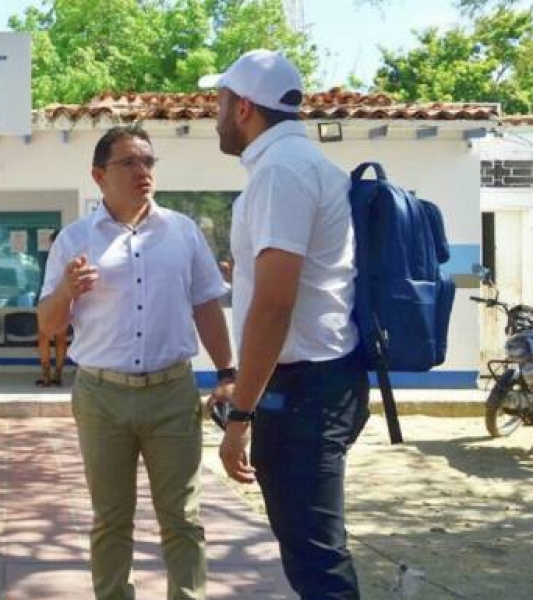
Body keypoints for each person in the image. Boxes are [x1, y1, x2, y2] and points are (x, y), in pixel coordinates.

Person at [39, 124, 236, 600]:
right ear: (99, 174)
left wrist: (228, 373)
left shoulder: (182, 232)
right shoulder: (75, 239)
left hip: (172, 393)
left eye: (148, 162)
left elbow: (207, 305)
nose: (142, 171)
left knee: (182, 517)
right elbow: (48, 324)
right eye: (129, 162)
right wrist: (67, 289)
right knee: (110, 520)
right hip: (101, 397)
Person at [202, 49, 370, 600]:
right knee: (309, 549)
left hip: (303, 393)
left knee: (317, 560)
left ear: (245, 107)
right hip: (319, 384)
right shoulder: (303, 164)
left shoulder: (279, 172)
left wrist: (240, 415)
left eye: (220, 101)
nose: (216, 112)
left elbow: (274, 305)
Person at [36, 230, 68, 387]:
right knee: (59, 338)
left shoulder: (50, 257)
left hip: (51, 297)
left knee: (44, 337)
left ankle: (47, 374)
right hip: (63, 298)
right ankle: (57, 374)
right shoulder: (68, 256)